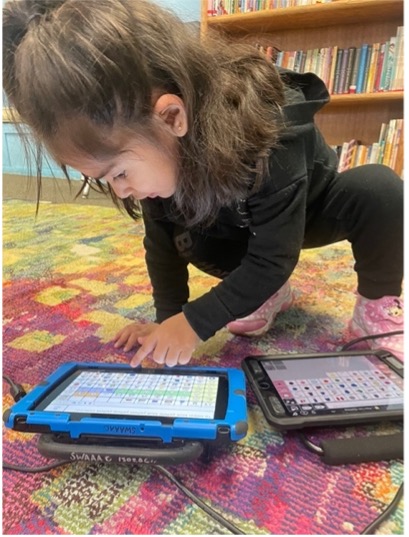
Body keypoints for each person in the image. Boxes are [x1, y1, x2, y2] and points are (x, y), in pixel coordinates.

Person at [3, 0, 403, 367]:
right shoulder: (156, 154)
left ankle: (376, 309)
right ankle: (265, 296)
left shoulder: (270, 125)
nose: (122, 190)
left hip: (306, 212)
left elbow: (274, 258)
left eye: (120, 174)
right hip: (236, 223)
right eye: (105, 181)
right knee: (186, 237)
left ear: (172, 117)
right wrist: (169, 322)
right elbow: (161, 245)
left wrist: (194, 325)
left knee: (379, 190)